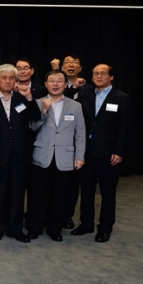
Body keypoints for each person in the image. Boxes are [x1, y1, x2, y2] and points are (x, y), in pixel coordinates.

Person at [72, 64, 131, 243]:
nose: (98, 76)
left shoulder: (121, 98)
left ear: (111, 77)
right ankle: (86, 223)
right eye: (95, 73)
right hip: (86, 151)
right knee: (87, 191)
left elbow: (124, 127)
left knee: (107, 193)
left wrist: (119, 151)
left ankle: (105, 228)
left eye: (103, 73)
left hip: (109, 153)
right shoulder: (85, 95)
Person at [26, 69, 85, 242]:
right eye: (52, 80)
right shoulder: (37, 103)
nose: (55, 84)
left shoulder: (75, 106)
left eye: (59, 81)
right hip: (41, 156)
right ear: (46, 84)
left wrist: (79, 156)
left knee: (60, 196)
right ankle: (34, 227)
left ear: (65, 84)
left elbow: (80, 133)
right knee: (38, 195)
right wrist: (44, 112)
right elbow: (31, 128)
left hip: (65, 157)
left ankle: (54, 228)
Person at [0, 64, 41, 243]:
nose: (8, 81)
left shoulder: (22, 98)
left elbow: (35, 117)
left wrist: (30, 98)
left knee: (18, 193)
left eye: (12, 78)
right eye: (4, 77)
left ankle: (15, 228)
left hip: (20, 154)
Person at [50, 55, 95, 229]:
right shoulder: (52, 86)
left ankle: (66, 215)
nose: (70, 65)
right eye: (67, 63)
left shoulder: (89, 89)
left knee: (70, 184)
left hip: (74, 143)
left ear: (80, 68)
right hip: (52, 143)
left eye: (74, 63)